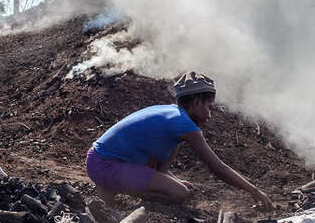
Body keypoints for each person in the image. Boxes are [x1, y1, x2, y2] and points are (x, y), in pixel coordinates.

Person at [85, 71, 274, 214]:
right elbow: (218, 167)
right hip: (104, 164)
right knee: (179, 193)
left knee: (177, 186)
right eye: (209, 107)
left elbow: (159, 166)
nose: (209, 115)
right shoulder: (182, 123)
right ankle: (111, 188)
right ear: (197, 101)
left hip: (100, 160)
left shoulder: (172, 114)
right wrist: (254, 191)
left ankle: (111, 186)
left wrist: (171, 179)